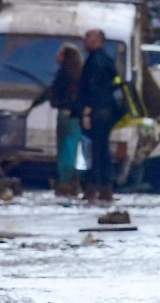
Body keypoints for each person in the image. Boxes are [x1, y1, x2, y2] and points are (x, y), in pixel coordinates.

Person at [74, 29, 127, 201]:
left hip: (98, 113)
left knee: (96, 152)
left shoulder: (96, 61)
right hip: (106, 113)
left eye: (88, 37)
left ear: (98, 40)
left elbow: (93, 88)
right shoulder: (105, 59)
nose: (84, 40)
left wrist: (87, 112)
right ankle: (104, 188)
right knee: (101, 150)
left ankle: (95, 188)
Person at [29, 43, 83, 196]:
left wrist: (34, 104)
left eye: (59, 54)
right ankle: (75, 181)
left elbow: (52, 91)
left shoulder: (64, 73)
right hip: (77, 117)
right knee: (74, 149)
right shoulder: (80, 73)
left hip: (65, 115)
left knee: (65, 149)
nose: (56, 57)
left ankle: (64, 183)